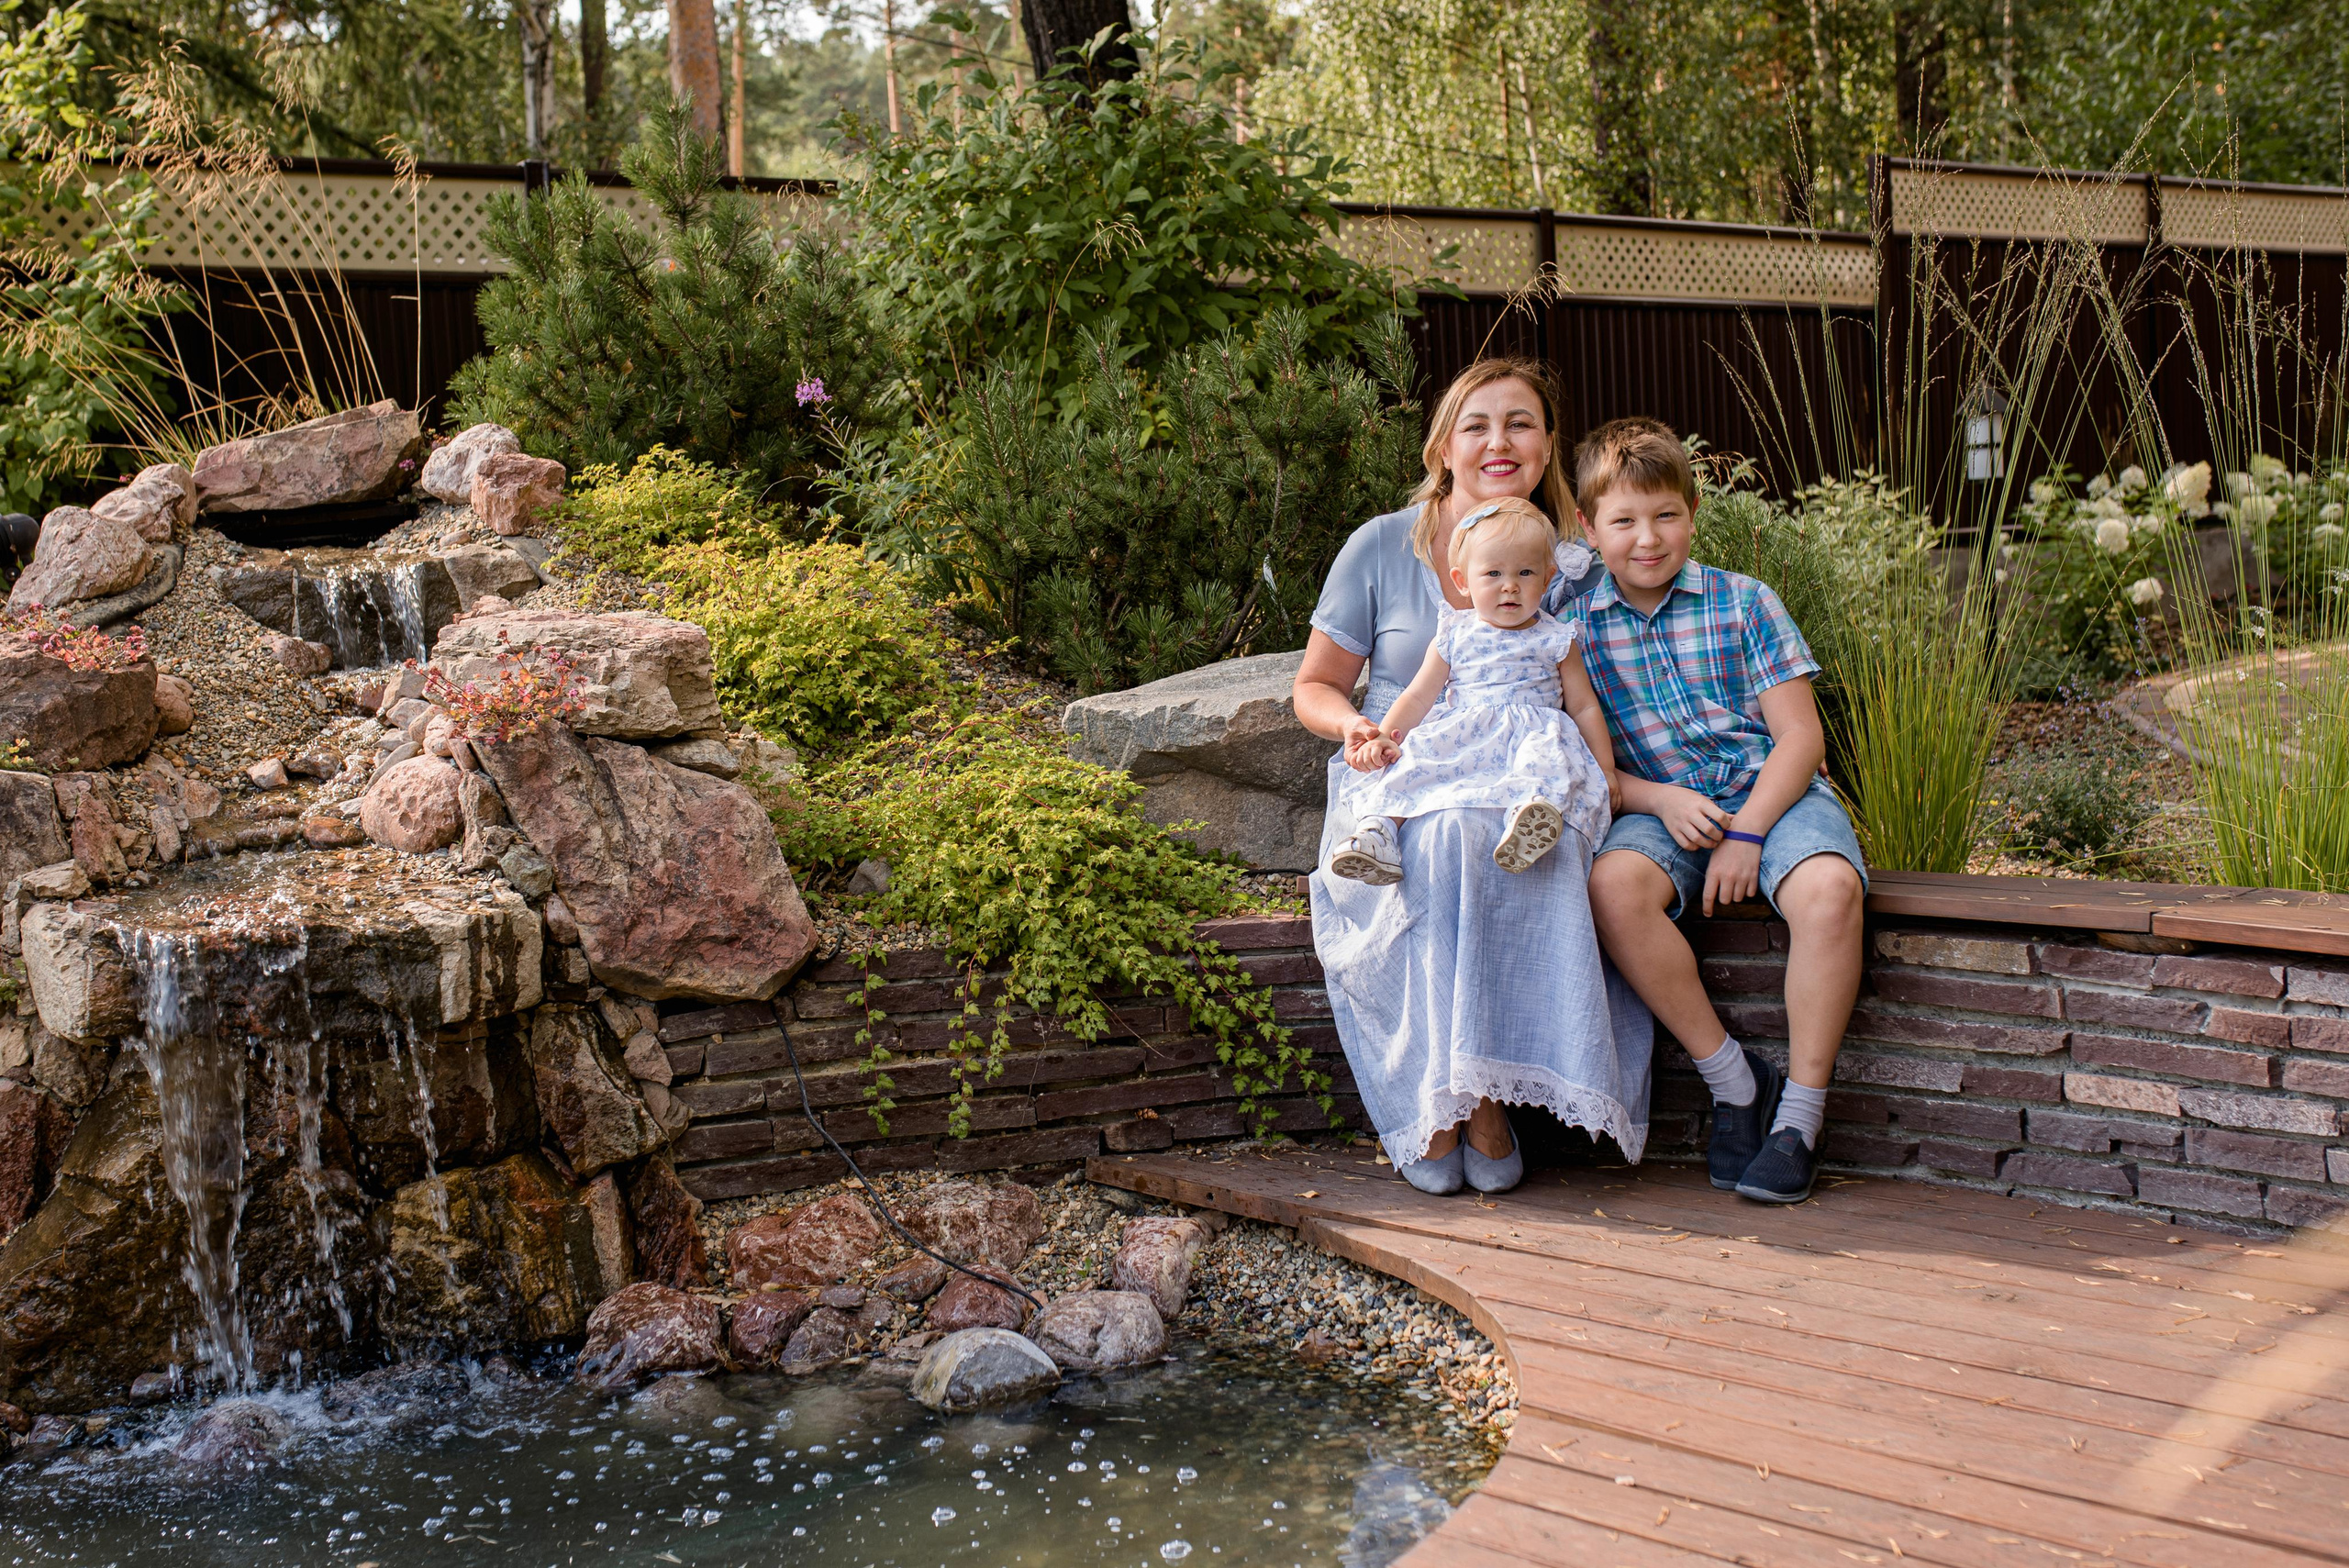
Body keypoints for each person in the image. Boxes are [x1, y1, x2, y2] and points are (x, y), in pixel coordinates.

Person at [1294, 360, 1653, 1198]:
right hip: (1406, 754)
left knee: (1504, 836)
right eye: (1478, 424)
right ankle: (1437, 1103)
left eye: (1521, 423)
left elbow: (1599, 692)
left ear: (1548, 445)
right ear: (1443, 447)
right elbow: (1315, 685)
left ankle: (1485, 1102)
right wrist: (1357, 727)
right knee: (1449, 835)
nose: (1500, 441)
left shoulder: (1573, 557)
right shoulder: (1384, 544)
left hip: (1528, 762)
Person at [1573, 418, 1867, 1206]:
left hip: (1773, 792)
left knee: (1830, 891)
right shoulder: (1572, 631)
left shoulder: (1743, 602)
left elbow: (1801, 735)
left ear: (1694, 511)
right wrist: (1658, 797)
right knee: (1611, 888)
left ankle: (1799, 1118)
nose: (1647, 538)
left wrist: (1747, 830)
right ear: (1587, 526)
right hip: (1657, 805)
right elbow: (1585, 771)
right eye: (1624, 520)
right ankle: (1736, 1082)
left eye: (1665, 514)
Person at [1326, 496, 1617, 884]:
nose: (1510, 586)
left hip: (1532, 732)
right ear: (1463, 581)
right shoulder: (1454, 632)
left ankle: (1528, 820)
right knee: (1416, 762)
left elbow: (1583, 708)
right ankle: (1379, 833)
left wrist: (1606, 768)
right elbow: (1417, 696)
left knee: (1546, 761)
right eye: (1493, 573)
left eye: (1526, 573)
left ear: (1547, 579)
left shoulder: (1557, 639)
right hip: (1463, 732)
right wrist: (1384, 736)